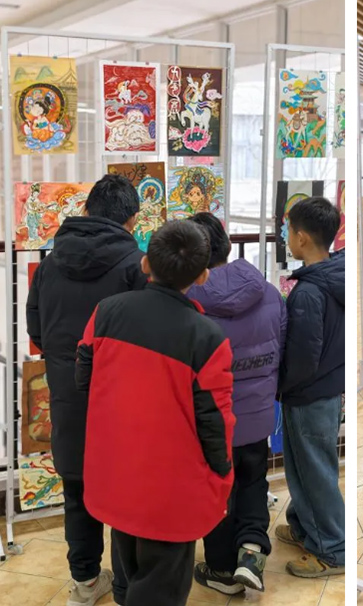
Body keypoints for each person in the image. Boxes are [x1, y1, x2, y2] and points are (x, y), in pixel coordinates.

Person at [75, 220, 235, 606]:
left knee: (129, 565)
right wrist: (222, 473)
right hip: (172, 488)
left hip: (116, 471)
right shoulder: (207, 337)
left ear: (145, 263)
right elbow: (215, 423)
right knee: (162, 588)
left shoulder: (106, 312)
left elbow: (83, 378)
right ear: (202, 275)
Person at [26, 173, 146, 606]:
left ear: (85, 209)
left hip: (67, 393)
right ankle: (126, 586)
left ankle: (85, 582)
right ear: (132, 220)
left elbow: (36, 329)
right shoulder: (137, 265)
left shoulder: (50, 262)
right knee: (126, 492)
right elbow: (147, 336)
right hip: (124, 400)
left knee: (77, 491)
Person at [186, 213, 287, 596]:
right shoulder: (270, 293)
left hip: (211, 421)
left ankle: (222, 571)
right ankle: (252, 551)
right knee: (253, 480)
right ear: (227, 246)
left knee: (217, 491)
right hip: (258, 415)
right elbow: (282, 349)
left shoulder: (188, 304)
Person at [276, 197, 345, 577]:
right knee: (305, 466)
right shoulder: (335, 273)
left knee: (315, 472)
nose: (287, 237)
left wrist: (281, 385)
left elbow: (303, 357)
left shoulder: (307, 292)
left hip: (308, 393)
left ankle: (332, 549)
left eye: (288, 231)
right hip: (326, 389)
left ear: (301, 237)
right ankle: (305, 528)